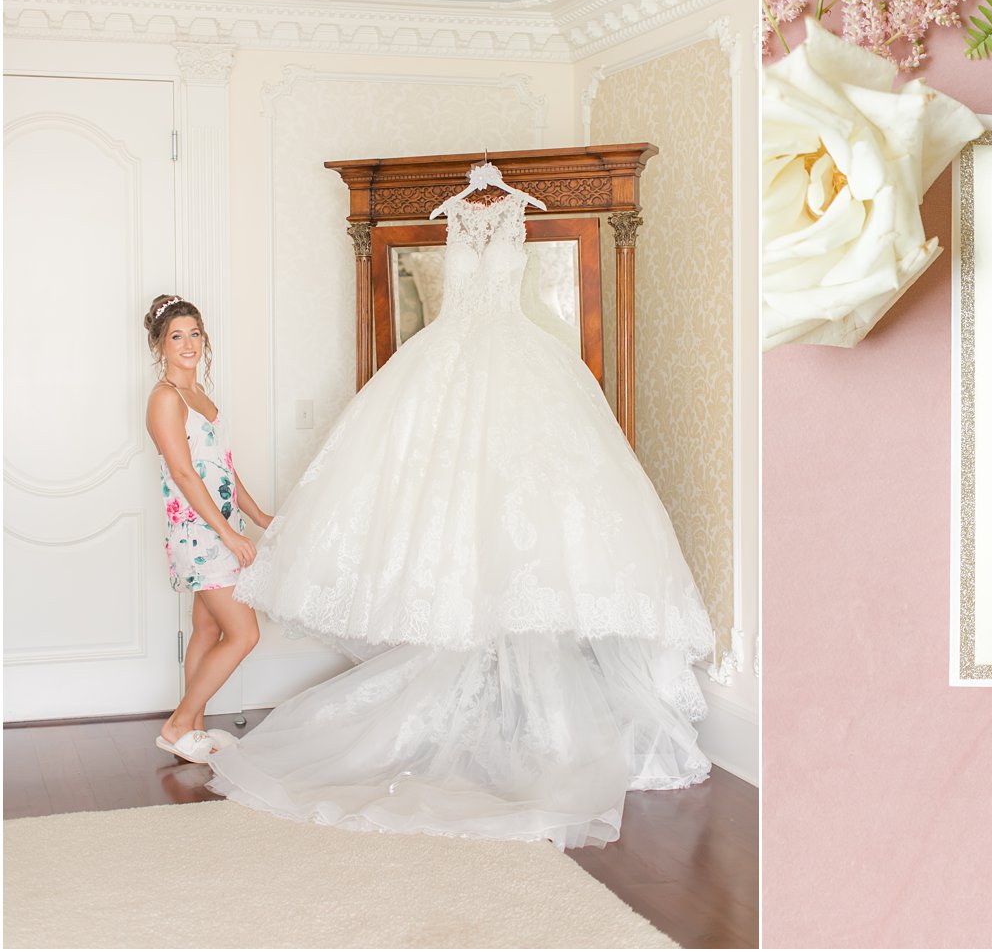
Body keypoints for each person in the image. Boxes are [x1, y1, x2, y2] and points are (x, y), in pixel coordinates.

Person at [207, 164, 714, 847]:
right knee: (449, 503)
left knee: (525, 512)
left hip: (521, 364)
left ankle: (524, 715)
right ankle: (478, 705)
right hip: (448, 361)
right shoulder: (450, 214)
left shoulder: (519, 210)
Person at [142, 295, 271, 763]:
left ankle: (192, 728)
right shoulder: (164, 399)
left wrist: (255, 517)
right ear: (160, 345)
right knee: (244, 633)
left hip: (219, 524)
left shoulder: (201, 396)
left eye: (194, 333)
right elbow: (184, 474)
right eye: (177, 336)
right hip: (198, 532)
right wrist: (228, 535)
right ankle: (178, 723)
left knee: (206, 627)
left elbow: (221, 468)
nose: (188, 343)